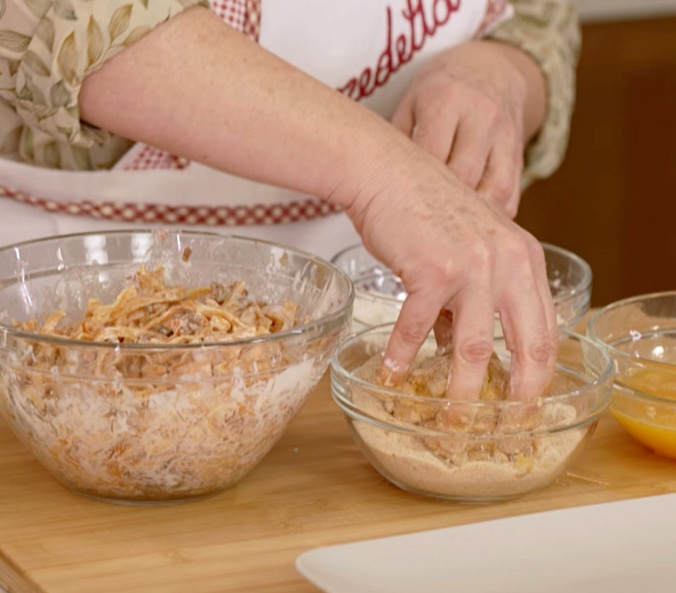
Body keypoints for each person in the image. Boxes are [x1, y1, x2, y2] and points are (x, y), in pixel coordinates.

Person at [0, 0, 581, 401]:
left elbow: (538, 18)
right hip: (69, 326)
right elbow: (61, 21)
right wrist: (379, 169)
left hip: (371, 328)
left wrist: (499, 72)